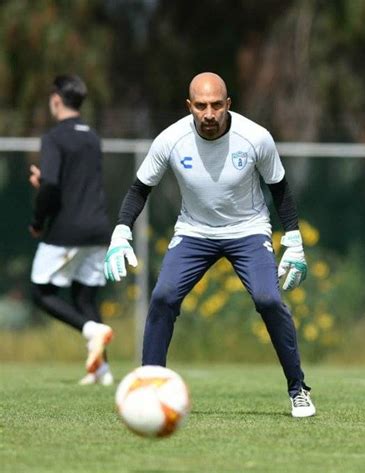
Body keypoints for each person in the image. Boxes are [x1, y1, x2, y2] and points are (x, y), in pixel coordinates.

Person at [104, 72, 316, 417]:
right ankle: (148, 389)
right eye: (201, 106)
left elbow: (279, 188)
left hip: (247, 230)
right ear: (189, 106)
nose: (209, 113)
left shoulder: (256, 138)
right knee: (162, 298)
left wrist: (293, 239)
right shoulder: (170, 140)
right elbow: (140, 188)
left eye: (217, 105)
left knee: (268, 299)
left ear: (228, 104)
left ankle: (298, 389)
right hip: (194, 232)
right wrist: (120, 232)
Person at [29, 74, 114, 386]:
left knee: (41, 292)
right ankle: (102, 371)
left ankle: (91, 331)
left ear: (55, 99)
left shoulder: (54, 138)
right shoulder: (92, 137)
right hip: (98, 228)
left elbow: (51, 183)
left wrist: (38, 221)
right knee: (85, 299)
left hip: (67, 229)